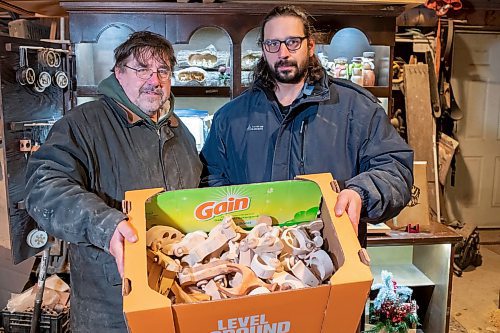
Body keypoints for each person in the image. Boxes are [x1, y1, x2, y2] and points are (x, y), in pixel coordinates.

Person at [25, 31, 202, 332]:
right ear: (118, 73)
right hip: (110, 308)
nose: (154, 80)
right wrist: (104, 225)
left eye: (162, 71)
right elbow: (43, 186)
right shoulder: (83, 124)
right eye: (142, 69)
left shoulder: (178, 130)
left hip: (174, 297)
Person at [200, 5, 414, 245]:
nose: (282, 53)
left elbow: (395, 170)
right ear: (263, 49)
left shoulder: (356, 107)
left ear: (310, 46)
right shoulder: (230, 117)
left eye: (293, 42)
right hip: (254, 262)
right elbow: (212, 182)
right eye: (273, 44)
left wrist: (360, 192)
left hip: (333, 257)